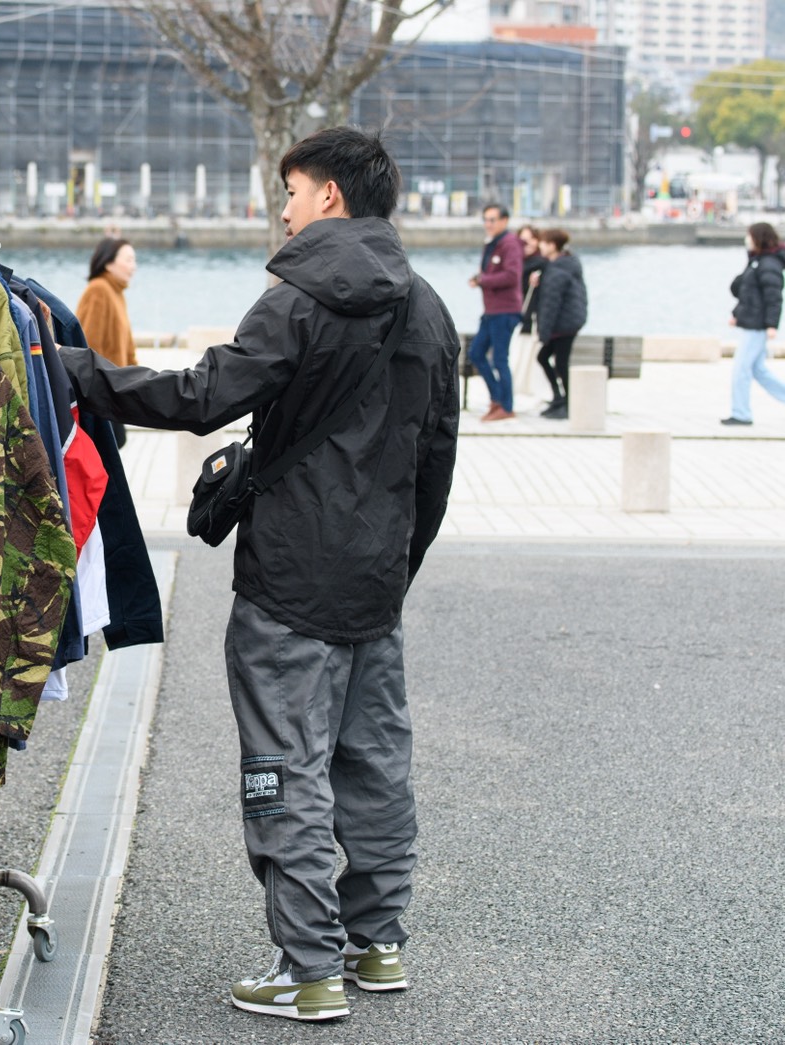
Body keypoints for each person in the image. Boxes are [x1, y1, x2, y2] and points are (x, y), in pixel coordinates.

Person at [58, 127, 460, 1023]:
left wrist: (78, 373)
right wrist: (397, 562)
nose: (280, 208)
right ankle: (376, 944)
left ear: (327, 197)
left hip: (288, 577)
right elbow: (437, 457)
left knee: (286, 765)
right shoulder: (429, 308)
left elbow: (203, 397)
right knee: (375, 764)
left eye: (289, 190)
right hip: (372, 580)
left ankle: (307, 968)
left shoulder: (297, 296)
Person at [76, 236, 138, 445]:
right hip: (101, 392)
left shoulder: (116, 292)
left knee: (116, 445)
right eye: (128, 260)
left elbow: (127, 347)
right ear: (109, 262)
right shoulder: (99, 290)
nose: (133, 267)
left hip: (114, 389)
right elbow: (89, 344)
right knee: (112, 446)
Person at [722, 221, 785, 426]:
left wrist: (771, 325)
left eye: (749, 235)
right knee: (759, 370)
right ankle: (741, 411)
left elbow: (773, 297)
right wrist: (736, 314)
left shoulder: (769, 264)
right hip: (751, 323)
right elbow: (748, 295)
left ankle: (741, 413)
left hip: (757, 327)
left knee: (741, 369)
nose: (747, 239)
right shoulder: (757, 261)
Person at [466, 203, 524, 420]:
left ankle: (506, 407)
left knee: (500, 359)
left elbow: (511, 275)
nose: (488, 224)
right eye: (485, 219)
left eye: (492, 219)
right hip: (491, 310)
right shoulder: (493, 243)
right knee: (476, 353)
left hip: (505, 310)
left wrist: (483, 281)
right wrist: (480, 279)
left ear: (504, 221)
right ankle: (497, 399)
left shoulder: (509, 244)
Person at [530, 229, 588, 420]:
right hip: (569, 322)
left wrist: (544, 332)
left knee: (558, 363)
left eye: (544, 243)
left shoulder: (557, 270)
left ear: (553, 245)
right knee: (547, 359)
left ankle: (567, 402)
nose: (540, 246)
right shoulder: (564, 264)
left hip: (562, 326)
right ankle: (560, 399)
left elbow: (550, 304)